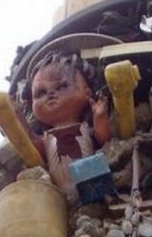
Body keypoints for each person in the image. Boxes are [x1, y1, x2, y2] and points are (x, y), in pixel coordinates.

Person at [28, 53, 111, 200]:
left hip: (92, 189)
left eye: (62, 86)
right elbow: (33, 146)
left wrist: (99, 117)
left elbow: (104, 139)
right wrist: (16, 118)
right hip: (58, 197)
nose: (51, 94)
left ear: (88, 92)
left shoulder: (85, 128)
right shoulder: (48, 138)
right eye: (41, 93)